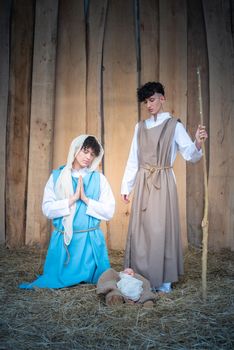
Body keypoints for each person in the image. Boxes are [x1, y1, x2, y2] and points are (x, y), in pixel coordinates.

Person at [121, 82, 208, 293]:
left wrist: (197, 142)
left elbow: (190, 155)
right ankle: (142, 275)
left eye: (152, 100)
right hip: (143, 181)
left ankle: (164, 281)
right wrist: (127, 186)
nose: (149, 105)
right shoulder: (139, 128)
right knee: (141, 229)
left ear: (162, 99)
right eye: (146, 102)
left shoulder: (174, 126)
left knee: (161, 229)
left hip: (163, 181)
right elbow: (133, 159)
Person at [20, 135, 115, 289]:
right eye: (85, 151)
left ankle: (89, 272)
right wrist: (71, 200)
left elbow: (109, 211)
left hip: (89, 244)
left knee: (100, 279)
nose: (88, 157)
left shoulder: (99, 179)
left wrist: (85, 199)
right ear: (75, 149)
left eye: (92, 154)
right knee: (55, 279)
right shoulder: (57, 177)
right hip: (64, 244)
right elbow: (47, 209)